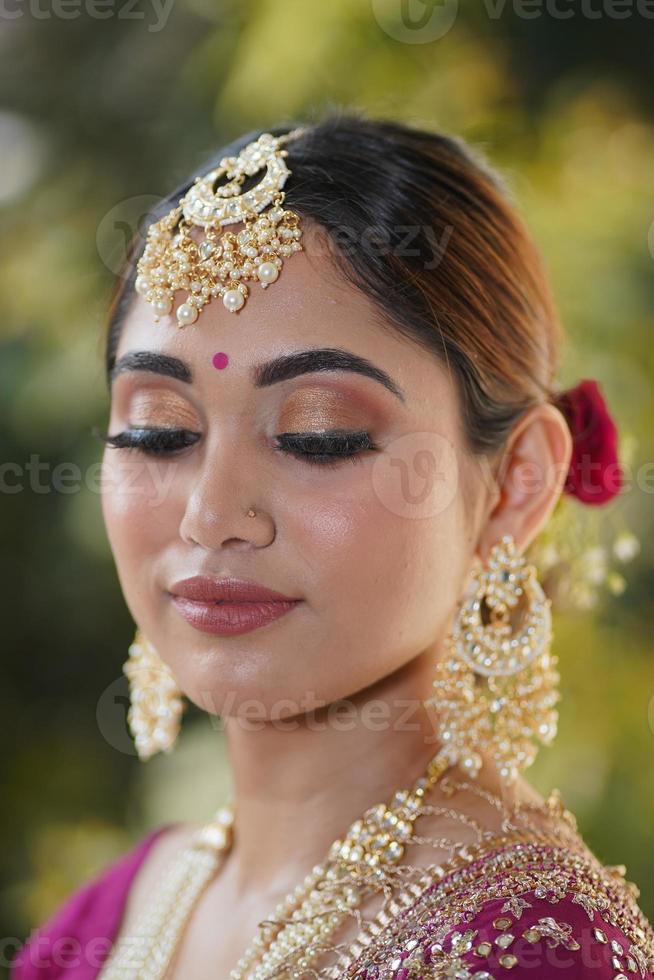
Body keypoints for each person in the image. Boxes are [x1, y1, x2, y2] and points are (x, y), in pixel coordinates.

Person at [11, 111, 653, 979]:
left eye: (319, 435)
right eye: (158, 431)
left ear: (515, 483)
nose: (210, 514)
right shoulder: (113, 916)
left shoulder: (534, 952)